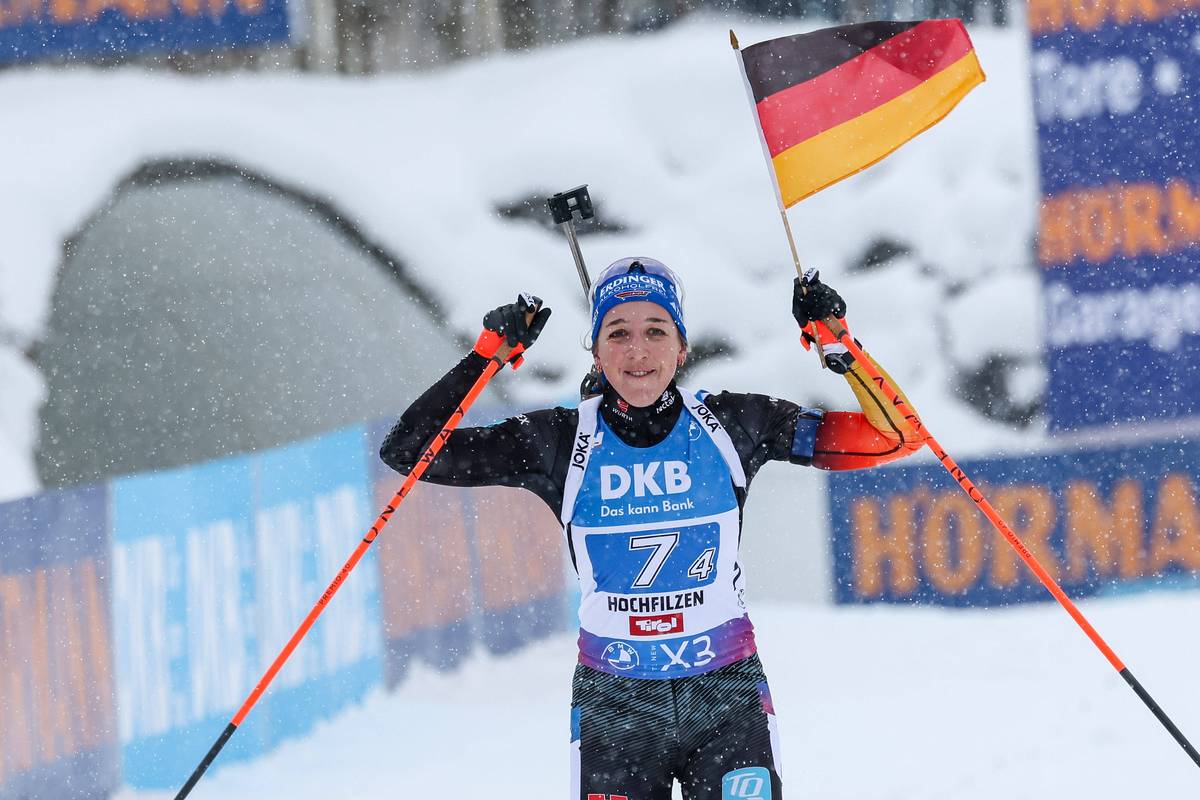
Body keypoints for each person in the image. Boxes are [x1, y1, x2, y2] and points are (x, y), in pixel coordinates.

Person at [380, 257, 924, 799]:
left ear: (681, 348)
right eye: (617, 333)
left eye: (656, 331)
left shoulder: (734, 425)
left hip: (725, 693)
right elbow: (409, 450)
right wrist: (484, 359)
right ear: (595, 351)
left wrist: (841, 348)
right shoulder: (559, 442)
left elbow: (897, 436)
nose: (637, 351)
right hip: (614, 702)